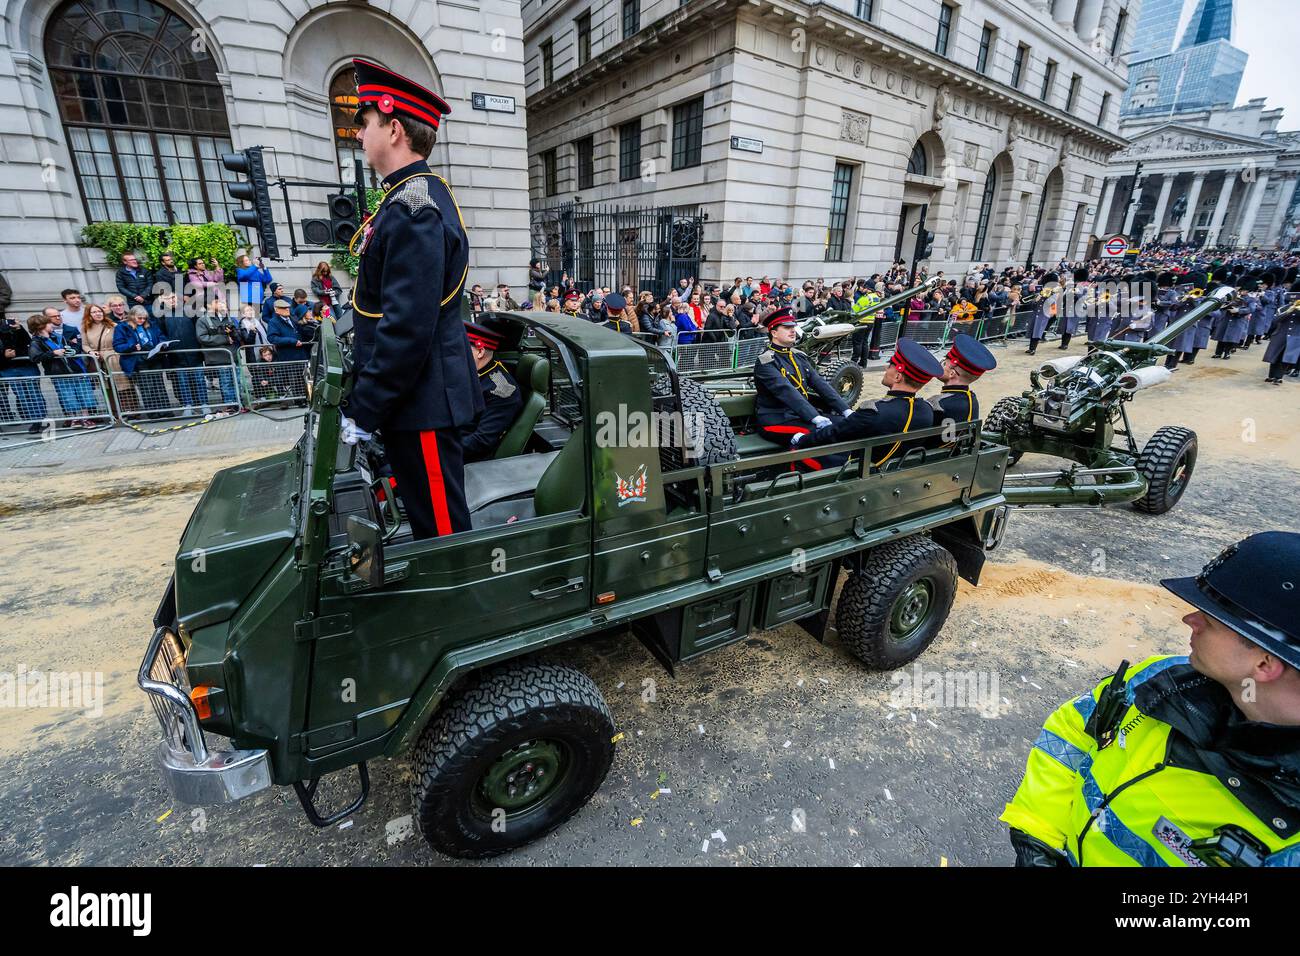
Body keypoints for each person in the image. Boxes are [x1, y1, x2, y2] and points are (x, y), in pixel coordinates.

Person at [1001, 532, 1300, 867]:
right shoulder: (1161, 677)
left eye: (1213, 619)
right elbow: (1072, 730)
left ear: (1264, 663)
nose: (1191, 620)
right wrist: (1038, 837)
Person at [341, 57, 481, 539]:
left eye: (366, 123)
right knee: (429, 523)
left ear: (394, 127)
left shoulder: (414, 208)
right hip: (415, 400)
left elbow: (406, 329)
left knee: (443, 536)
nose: (359, 135)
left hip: (421, 403)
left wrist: (364, 408)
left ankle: (462, 612)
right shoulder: (413, 197)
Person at [789, 337, 941, 470]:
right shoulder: (926, 409)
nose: (886, 369)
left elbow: (833, 434)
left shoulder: (874, 411)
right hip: (893, 467)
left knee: (796, 448)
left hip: (857, 470)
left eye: (890, 366)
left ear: (897, 377)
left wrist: (801, 439)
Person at [753, 307, 850, 467]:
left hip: (801, 416)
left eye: (793, 327)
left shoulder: (798, 356)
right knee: (816, 435)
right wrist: (815, 417)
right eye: (787, 327)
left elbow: (821, 385)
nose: (792, 331)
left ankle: (847, 465)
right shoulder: (766, 361)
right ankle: (802, 475)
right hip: (776, 420)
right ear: (774, 332)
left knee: (845, 425)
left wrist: (846, 410)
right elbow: (786, 391)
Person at [461, 320, 522, 463]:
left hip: (467, 458)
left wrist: (442, 449)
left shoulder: (502, 390)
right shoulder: (474, 372)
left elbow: (481, 441)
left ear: (480, 351)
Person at [929, 332, 995, 433]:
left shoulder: (938, 404)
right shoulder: (971, 399)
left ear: (952, 374)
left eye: (944, 363)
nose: (940, 365)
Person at [0, 312, 47, 431]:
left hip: (26, 366)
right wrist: (4, 355)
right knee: (22, 396)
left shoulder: (15, 329)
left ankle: (39, 420)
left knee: (34, 394)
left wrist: (19, 328)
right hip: (7, 369)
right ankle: (33, 420)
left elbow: (28, 345)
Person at [1263, 293, 1300, 384]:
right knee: (1275, 356)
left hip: (1294, 337)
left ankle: (1278, 377)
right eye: (1292, 301)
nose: (1294, 302)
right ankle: (1271, 376)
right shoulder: (1283, 308)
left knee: (1285, 357)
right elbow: (1275, 321)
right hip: (1280, 335)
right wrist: (1288, 311)